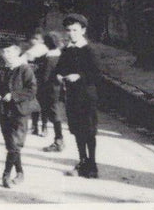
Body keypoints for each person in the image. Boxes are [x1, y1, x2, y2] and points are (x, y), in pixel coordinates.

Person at [56, 13, 100, 178]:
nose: (71, 33)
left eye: (75, 30)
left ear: (83, 30)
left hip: (87, 96)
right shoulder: (68, 50)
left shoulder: (89, 50)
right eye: (68, 30)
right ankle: (82, 160)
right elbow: (60, 67)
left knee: (89, 130)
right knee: (76, 130)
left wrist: (79, 76)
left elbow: (96, 74)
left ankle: (93, 165)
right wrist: (59, 75)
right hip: (72, 96)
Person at [0, 42, 40, 187]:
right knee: (11, 145)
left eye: (9, 52)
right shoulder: (3, 69)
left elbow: (32, 90)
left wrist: (13, 95)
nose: (6, 55)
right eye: (4, 52)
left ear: (17, 52)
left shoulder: (25, 69)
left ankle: (5, 175)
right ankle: (20, 172)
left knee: (14, 145)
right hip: (5, 112)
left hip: (21, 112)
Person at [37, 31, 67, 153]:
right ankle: (57, 138)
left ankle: (59, 140)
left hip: (49, 89)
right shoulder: (59, 55)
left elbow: (45, 77)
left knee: (54, 113)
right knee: (53, 112)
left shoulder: (50, 58)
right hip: (57, 88)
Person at [126, 0, 154, 67]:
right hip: (138, 24)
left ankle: (146, 61)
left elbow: (150, 9)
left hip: (146, 24)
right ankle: (140, 60)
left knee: (146, 42)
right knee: (138, 42)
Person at [23, 32, 48, 136]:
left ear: (42, 41)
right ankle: (34, 126)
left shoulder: (46, 52)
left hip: (43, 81)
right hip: (33, 81)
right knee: (34, 103)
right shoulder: (29, 52)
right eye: (33, 39)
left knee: (44, 104)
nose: (34, 41)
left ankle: (44, 127)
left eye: (37, 39)